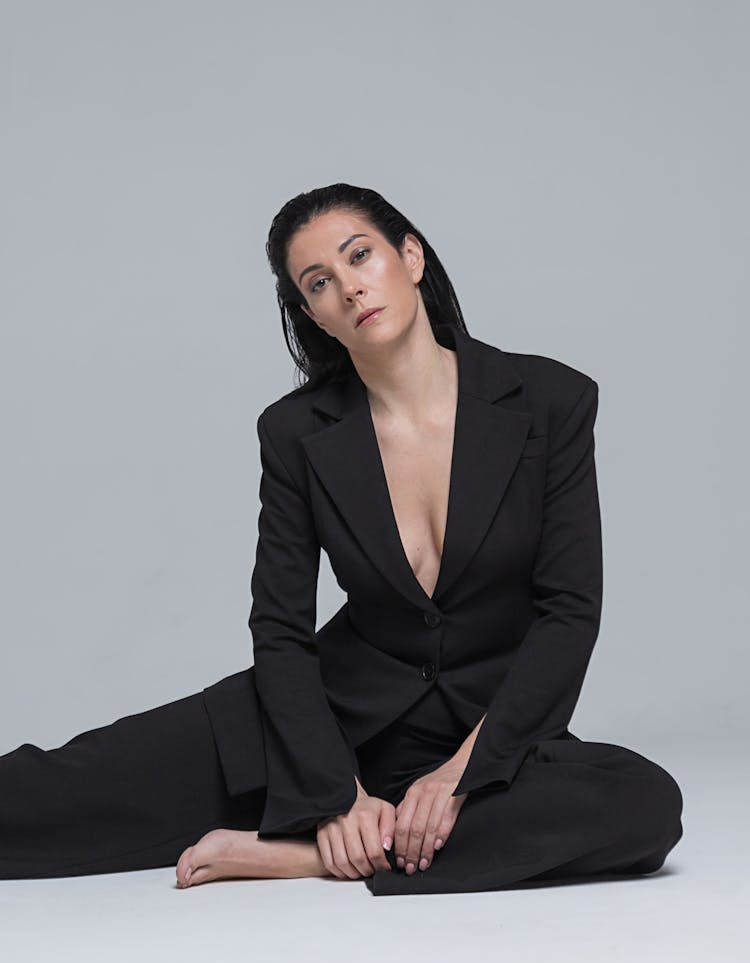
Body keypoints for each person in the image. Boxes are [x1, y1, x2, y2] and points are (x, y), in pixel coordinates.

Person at [0, 183, 683, 896]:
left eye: (361, 255)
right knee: (44, 796)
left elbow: (568, 612)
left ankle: (312, 857)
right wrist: (331, 795)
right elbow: (281, 626)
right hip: (311, 727)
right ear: (312, 315)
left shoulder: (550, 401)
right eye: (319, 282)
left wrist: (462, 774)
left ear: (410, 256)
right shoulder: (296, 432)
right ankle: (334, 834)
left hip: (479, 745)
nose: (350, 287)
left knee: (644, 804)